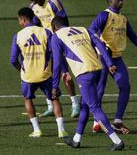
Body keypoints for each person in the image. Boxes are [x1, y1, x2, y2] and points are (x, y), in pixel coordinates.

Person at [51, 16, 124, 151]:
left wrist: (54, 86)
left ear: (54, 28)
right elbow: (100, 44)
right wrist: (109, 63)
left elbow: (56, 64)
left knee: (95, 108)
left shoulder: (56, 37)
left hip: (84, 74)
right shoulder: (83, 29)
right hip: (98, 69)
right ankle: (76, 139)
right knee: (85, 105)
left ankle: (117, 141)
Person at [89, 0, 137, 134]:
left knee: (125, 86)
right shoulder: (104, 15)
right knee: (100, 89)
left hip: (117, 58)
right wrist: (101, 45)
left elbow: (134, 37)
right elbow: (91, 31)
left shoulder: (123, 18)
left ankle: (117, 121)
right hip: (102, 57)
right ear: (110, 1)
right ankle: (96, 122)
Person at [10, 7, 68, 138]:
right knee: (54, 98)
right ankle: (61, 130)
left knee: (28, 99)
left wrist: (21, 70)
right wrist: (63, 71)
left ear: (23, 19)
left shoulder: (18, 36)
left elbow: (13, 59)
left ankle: (37, 130)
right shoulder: (46, 32)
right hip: (45, 73)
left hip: (28, 76)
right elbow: (56, 53)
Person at [25, 0, 80, 118]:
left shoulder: (53, 2)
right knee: (46, 74)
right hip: (44, 43)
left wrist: (62, 38)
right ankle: (50, 105)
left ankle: (75, 103)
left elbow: (64, 20)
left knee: (63, 72)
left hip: (58, 40)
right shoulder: (32, 7)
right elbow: (35, 24)